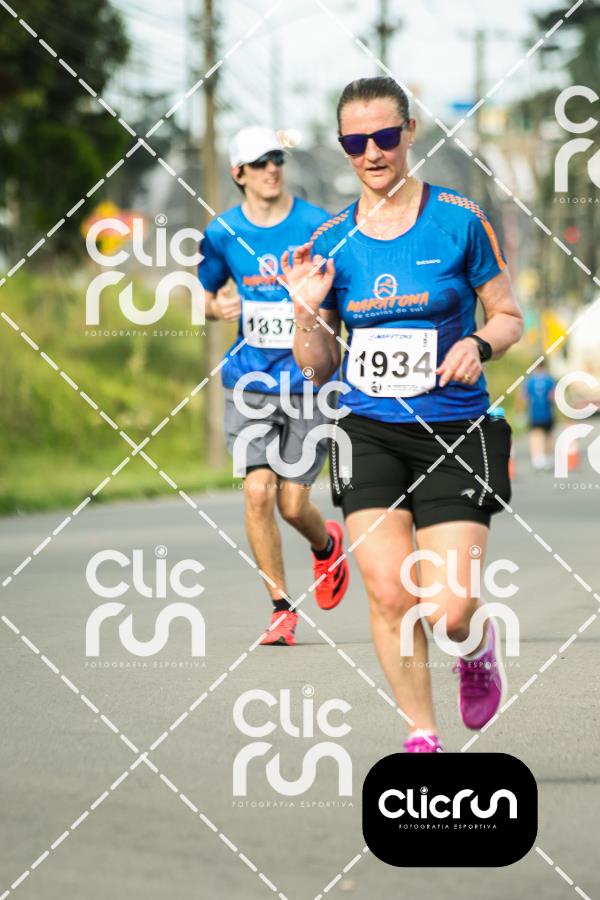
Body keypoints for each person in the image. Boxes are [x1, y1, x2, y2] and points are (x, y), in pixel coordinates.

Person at [282, 78, 523, 751]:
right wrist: (305, 312)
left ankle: (474, 646)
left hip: (454, 430)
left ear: (410, 132)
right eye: (355, 142)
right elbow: (319, 367)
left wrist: (478, 345)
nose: (372, 153)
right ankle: (423, 735)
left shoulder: (459, 220)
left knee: (449, 609)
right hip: (368, 432)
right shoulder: (331, 241)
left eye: (385, 136)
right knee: (390, 594)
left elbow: (509, 316)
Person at [198, 125, 349, 647]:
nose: (271, 169)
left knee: (292, 504)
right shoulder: (222, 232)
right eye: (260, 162)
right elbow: (205, 294)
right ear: (238, 173)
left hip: (307, 382)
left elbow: (340, 295)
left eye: (277, 159)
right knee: (258, 491)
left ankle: (326, 545)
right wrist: (216, 307)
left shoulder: (316, 225)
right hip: (249, 380)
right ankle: (282, 610)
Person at [521, 362, 555, 471]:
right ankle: (549, 458)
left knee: (535, 435)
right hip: (547, 413)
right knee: (548, 435)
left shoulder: (530, 381)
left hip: (534, 414)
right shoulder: (550, 380)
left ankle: (537, 459)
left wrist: (521, 412)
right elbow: (552, 396)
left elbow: (524, 397)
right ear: (544, 367)